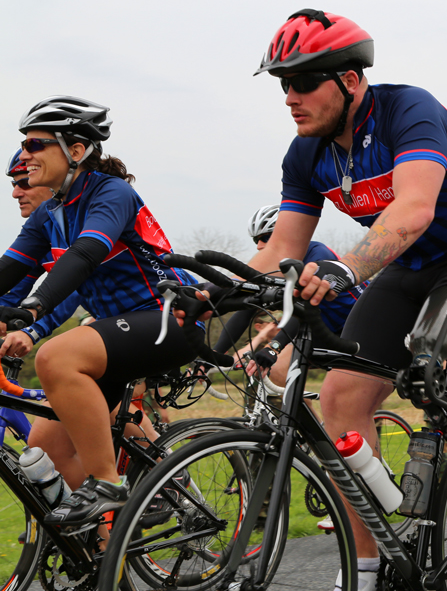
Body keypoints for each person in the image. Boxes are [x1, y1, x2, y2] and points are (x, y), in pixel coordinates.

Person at [179, 11, 447, 591]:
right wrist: (206, 295)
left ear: (350, 80)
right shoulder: (306, 153)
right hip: (408, 273)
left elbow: (413, 209)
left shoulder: (409, 110)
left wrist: (346, 269)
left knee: (423, 357)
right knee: (339, 399)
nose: (291, 96)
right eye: (282, 83)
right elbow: (281, 248)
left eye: (304, 81)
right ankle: (366, 568)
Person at [0, 96, 199, 531]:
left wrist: (35, 311)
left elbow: (86, 254)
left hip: (169, 318)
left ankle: (109, 483)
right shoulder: (49, 213)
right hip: (118, 331)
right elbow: (9, 271)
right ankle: (103, 556)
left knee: (56, 357)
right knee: (45, 446)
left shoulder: (111, 192)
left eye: (35, 144)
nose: (25, 155)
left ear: (75, 151)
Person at [210, 203, 368, 388]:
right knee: (276, 372)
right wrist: (213, 355)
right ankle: (302, 418)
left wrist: (274, 347)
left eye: (266, 238)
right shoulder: (271, 268)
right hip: (321, 327)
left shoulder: (317, 255)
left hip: (356, 324)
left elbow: (305, 307)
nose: (260, 246)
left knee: (344, 389)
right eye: (256, 241)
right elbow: (246, 309)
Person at [0, 150, 81, 357]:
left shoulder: (82, 222)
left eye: (25, 183)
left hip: (147, 310)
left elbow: (72, 289)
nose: (16, 193)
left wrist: (32, 331)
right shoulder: (42, 231)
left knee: (56, 359)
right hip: (103, 315)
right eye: (14, 185)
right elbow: (13, 290)